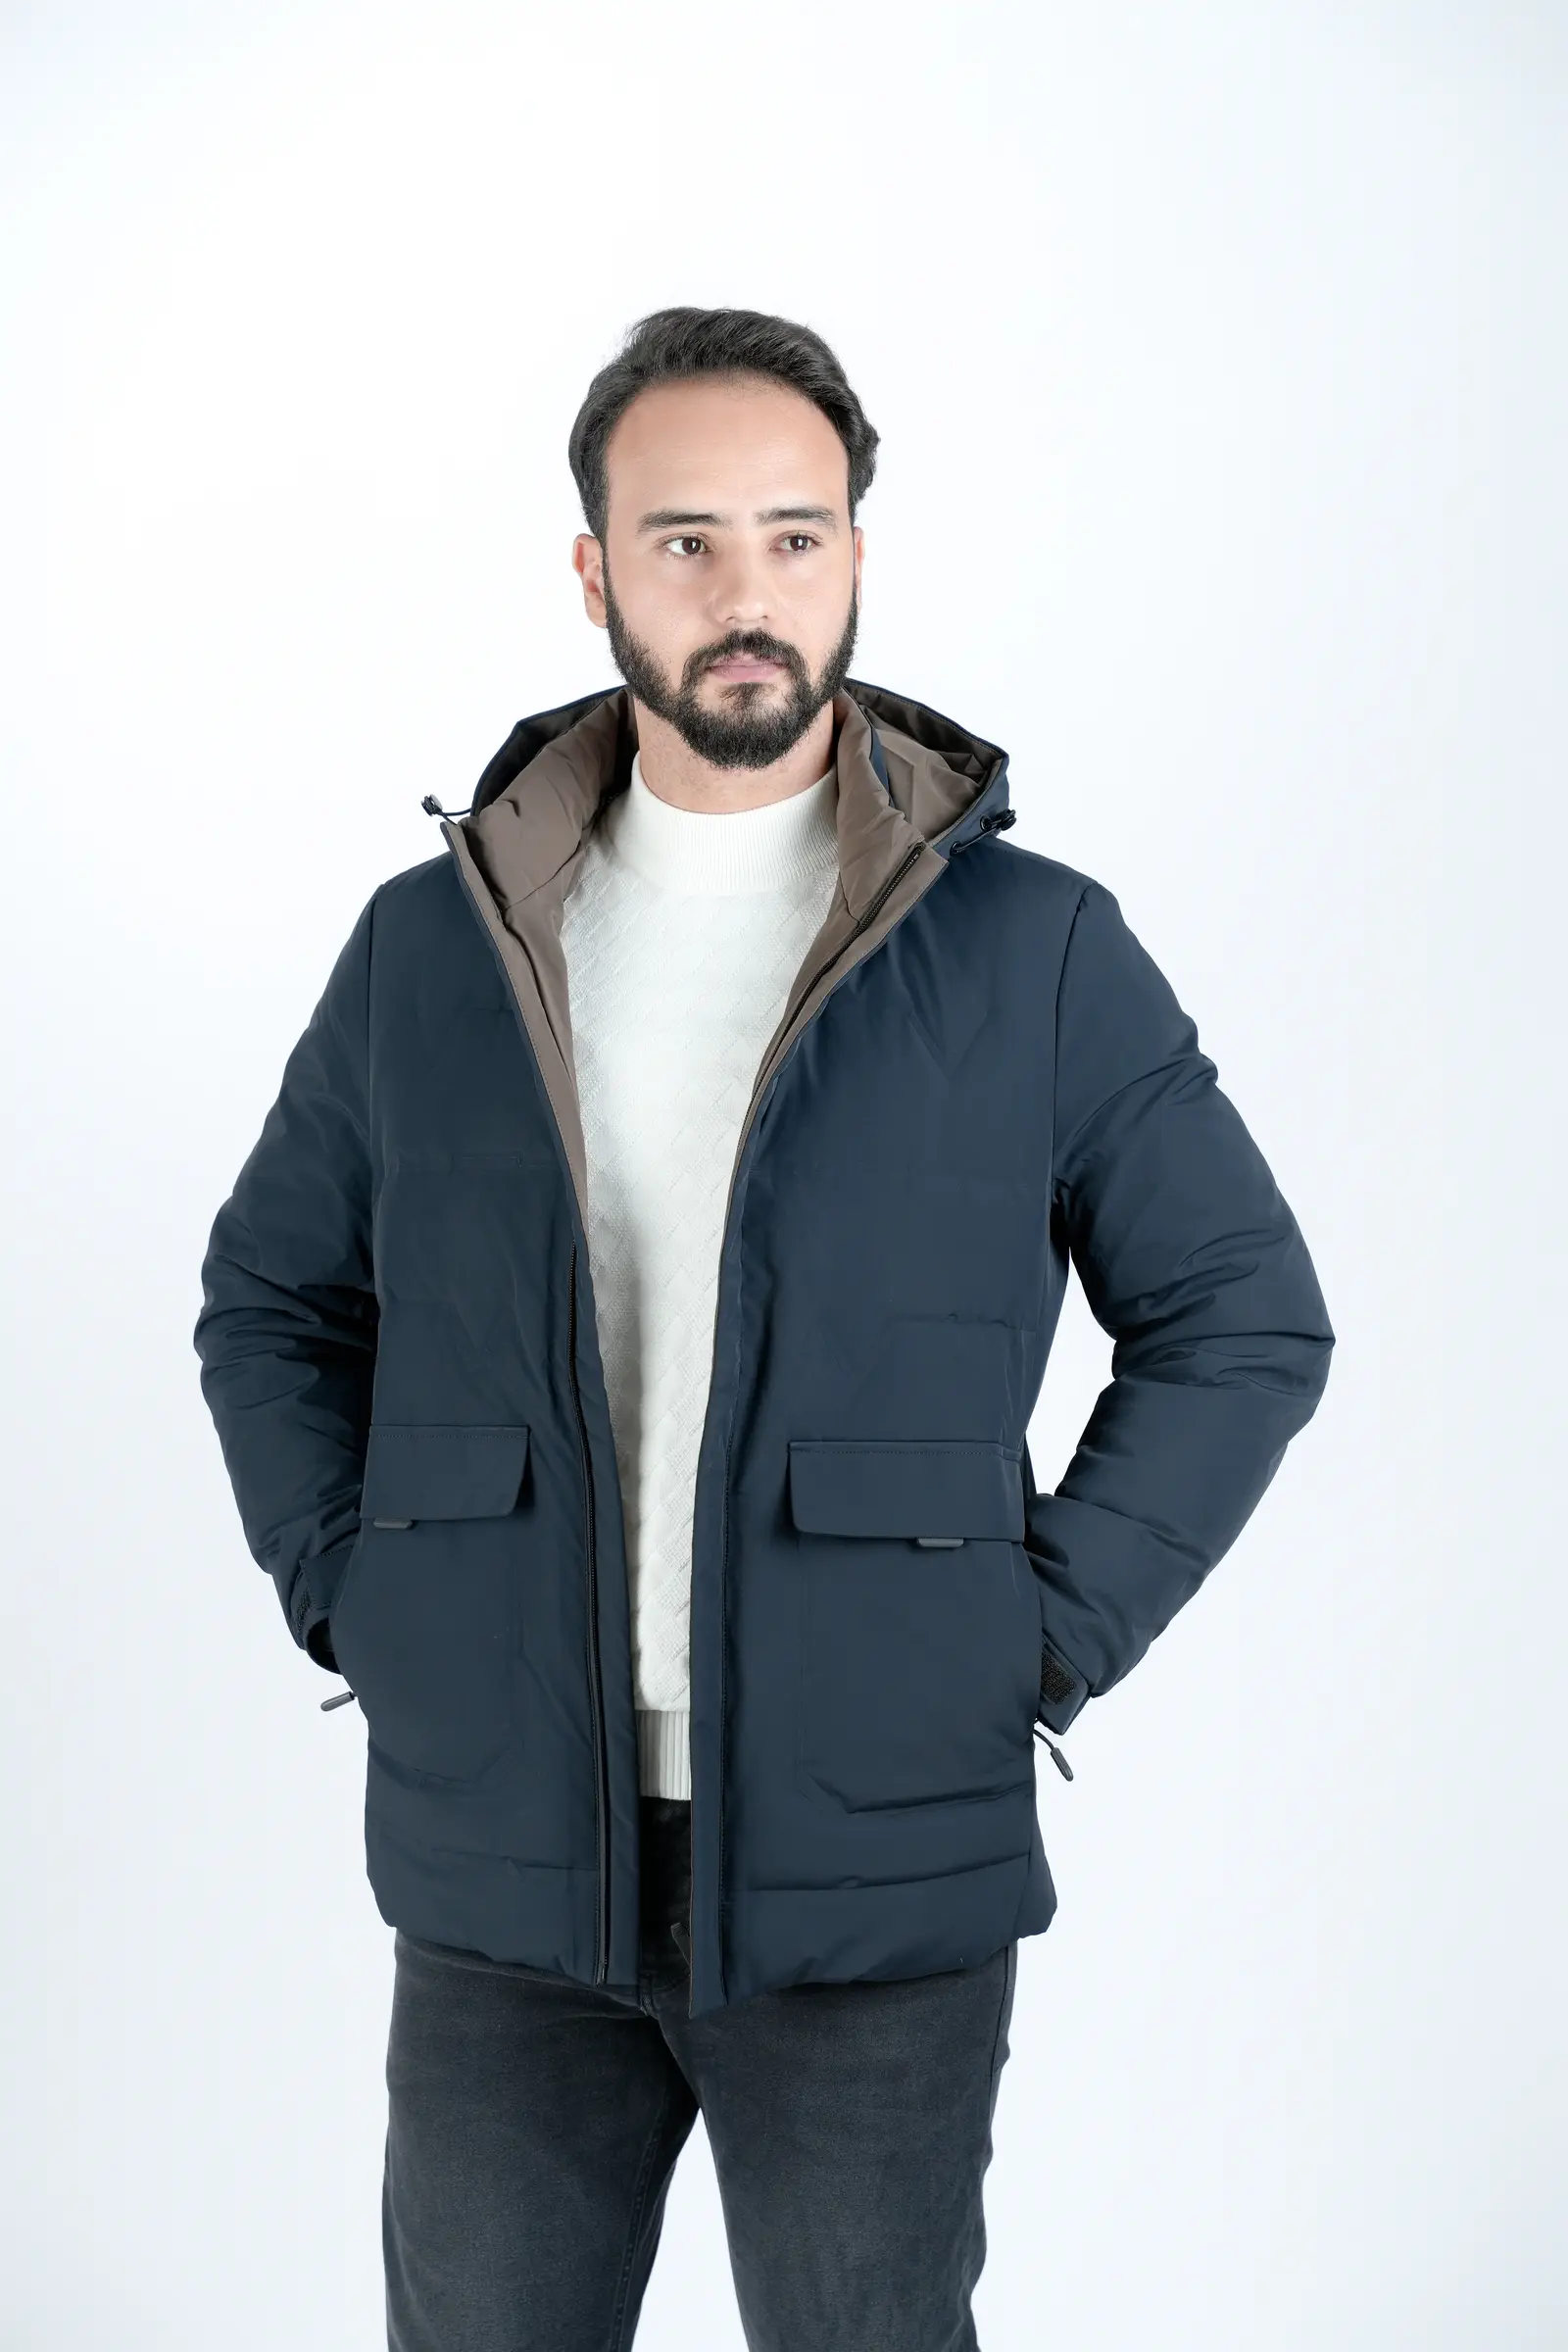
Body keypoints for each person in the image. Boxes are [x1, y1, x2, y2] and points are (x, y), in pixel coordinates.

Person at [193, 305, 1335, 2350]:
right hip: (504, 1866)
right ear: (595, 572)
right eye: (686, 539)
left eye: (794, 537)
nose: (746, 593)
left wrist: (1038, 1634)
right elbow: (275, 1298)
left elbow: (1240, 1314)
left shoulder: (1033, 949)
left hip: (871, 1872)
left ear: (857, 557)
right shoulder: (434, 948)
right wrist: (352, 1594)